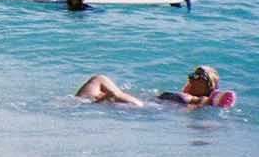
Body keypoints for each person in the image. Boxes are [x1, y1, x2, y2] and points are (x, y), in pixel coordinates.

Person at [75, 66, 224, 109]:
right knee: (96, 84)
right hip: (142, 104)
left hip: (142, 106)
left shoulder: (200, 99)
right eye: (192, 73)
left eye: (198, 76)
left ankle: (76, 106)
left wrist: (213, 100)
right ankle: (79, 106)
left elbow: (205, 103)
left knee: (99, 79)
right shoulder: (192, 97)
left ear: (208, 85)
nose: (191, 77)